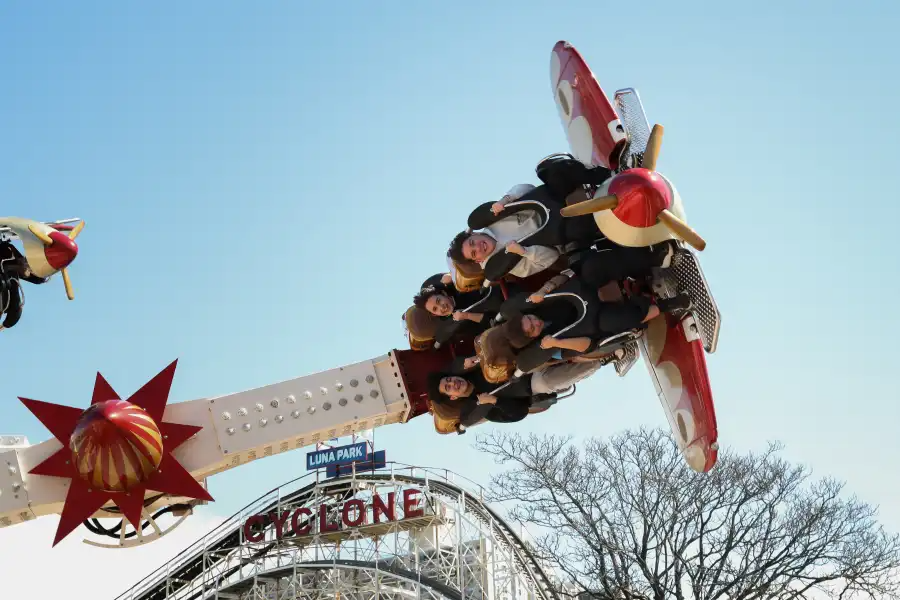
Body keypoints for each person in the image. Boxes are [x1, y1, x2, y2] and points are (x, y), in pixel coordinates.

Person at [427, 356, 601, 428]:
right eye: (448, 387)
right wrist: (495, 401)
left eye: (449, 379)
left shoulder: (472, 369)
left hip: (526, 358)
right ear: (452, 396)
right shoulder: (483, 409)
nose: (453, 383)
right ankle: (602, 359)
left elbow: (459, 363)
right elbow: (519, 413)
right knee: (545, 381)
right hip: (532, 381)